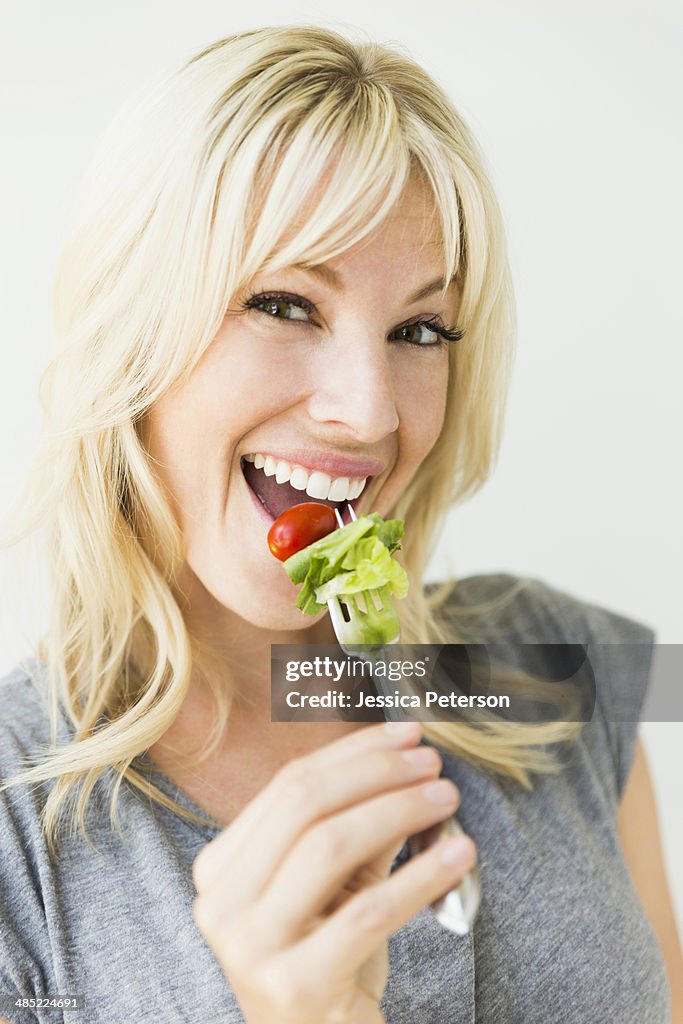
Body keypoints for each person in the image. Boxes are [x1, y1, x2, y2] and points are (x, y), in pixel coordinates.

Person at [0, 25, 680, 1024]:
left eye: (418, 330)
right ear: (129, 328)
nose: (369, 412)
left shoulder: (559, 670)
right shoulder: (21, 844)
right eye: (284, 303)